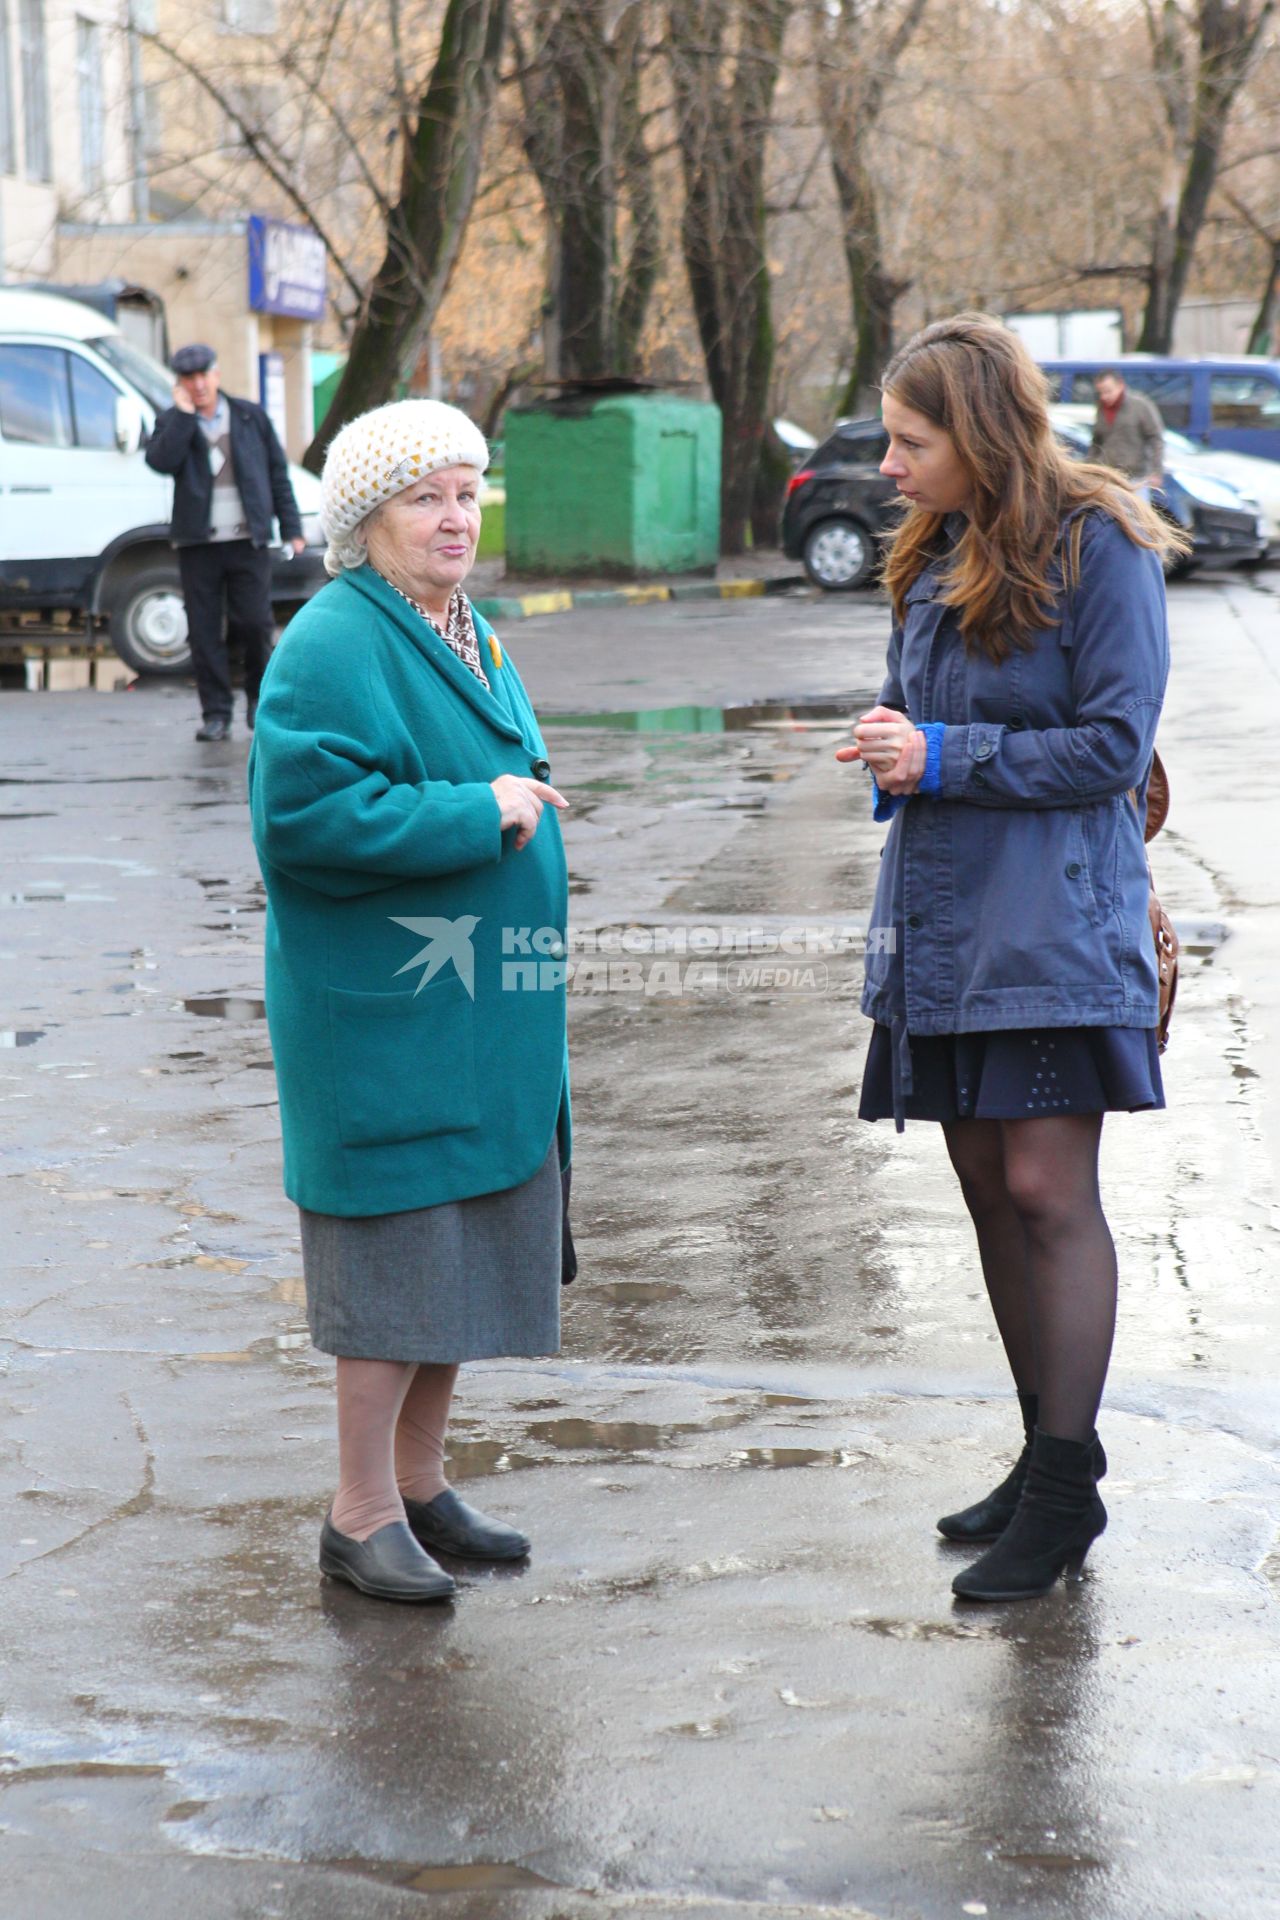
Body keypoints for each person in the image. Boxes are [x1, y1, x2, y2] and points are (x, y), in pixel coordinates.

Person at [837, 314, 1185, 1603]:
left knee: (1046, 1188)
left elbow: (1108, 746)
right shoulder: (930, 550)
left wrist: (943, 757)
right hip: (943, 917)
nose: (888, 465)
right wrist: (893, 746)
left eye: (910, 440)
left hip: (1052, 918)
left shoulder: (1100, 545)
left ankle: (1059, 1491)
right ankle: (1047, 1457)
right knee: (984, 1185)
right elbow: (928, 723)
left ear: (976, 434)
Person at [248, 399, 573, 1604]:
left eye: (466, 490)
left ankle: (423, 1486)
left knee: (462, 1254)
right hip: (387, 1018)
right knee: (392, 1262)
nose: (454, 517)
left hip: (478, 1013)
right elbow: (303, 822)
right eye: (423, 496)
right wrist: (476, 810)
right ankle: (360, 1509)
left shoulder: (462, 625)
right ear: (363, 518)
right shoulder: (335, 638)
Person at [145, 344, 305, 742]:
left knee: (254, 624)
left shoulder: (250, 416)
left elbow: (277, 474)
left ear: (216, 375)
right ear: (180, 384)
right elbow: (160, 461)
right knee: (203, 632)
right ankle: (216, 714)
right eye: (189, 379)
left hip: (247, 541)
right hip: (197, 544)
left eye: (204, 376)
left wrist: (291, 527)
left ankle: (257, 701)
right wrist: (183, 417)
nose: (198, 385)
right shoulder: (171, 421)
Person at [1089, 369, 1164, 500]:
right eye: (1101, 392)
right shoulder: (1101, 409)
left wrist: (1156, 471)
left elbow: (1156, 438)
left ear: (1120, 385)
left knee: (1137, 515)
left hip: (1136, 477)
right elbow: (1096, 442)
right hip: (1110, 477)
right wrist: (1090, 467)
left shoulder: (1140, 405)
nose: (1104, 397)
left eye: (1108, 391)